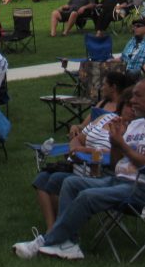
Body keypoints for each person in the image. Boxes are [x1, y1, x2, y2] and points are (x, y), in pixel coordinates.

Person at [13, 78, 145, 261]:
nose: (132, 100)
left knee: (88, 196)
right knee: (71, 183)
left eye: (138, 95)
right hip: (123, 180)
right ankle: (68, 243)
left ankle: (46, 241)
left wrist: (122, 145)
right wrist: (115, 143)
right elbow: (115, 164)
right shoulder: (136, 125)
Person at [31, 91, 134, 233]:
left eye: (135, 106)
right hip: (78, 164)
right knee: (42, 179)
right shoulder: (106, 117)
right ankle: (53, 228)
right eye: (129, 105)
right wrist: (74, 151)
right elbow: (79, 138)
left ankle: (62, 232)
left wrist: (85, 151)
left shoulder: (132, 129)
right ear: (122, 105)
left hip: (99, 171)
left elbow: (121, 154)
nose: (132, 109)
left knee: (57, 180)